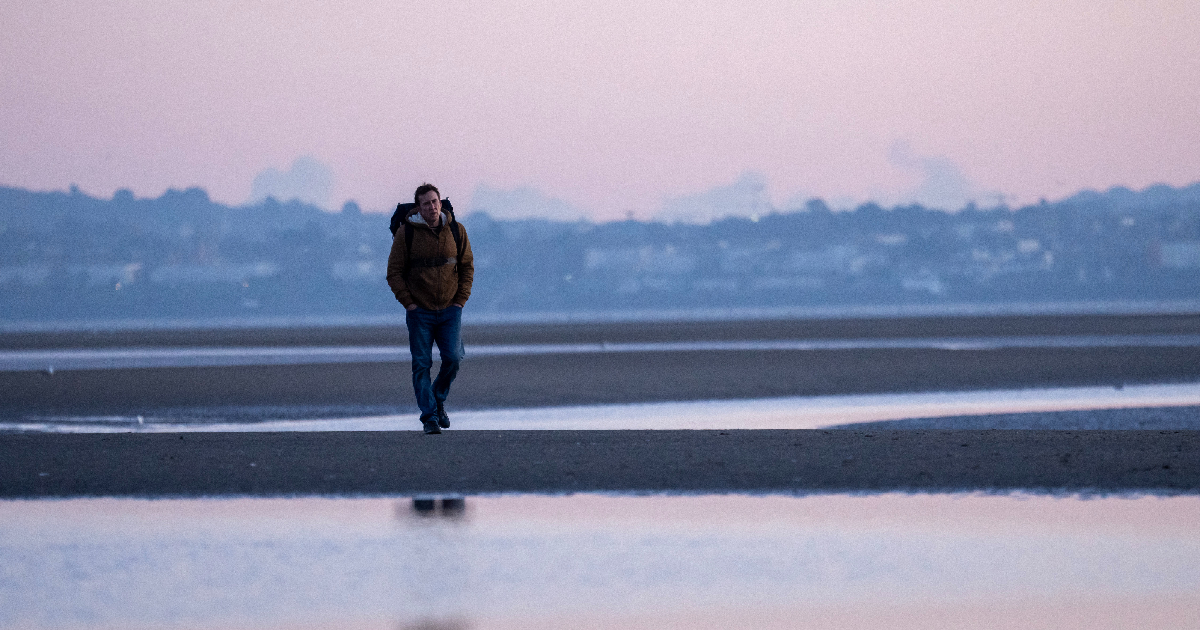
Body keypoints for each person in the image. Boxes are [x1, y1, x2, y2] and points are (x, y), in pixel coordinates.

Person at [386, 183, 474, 434]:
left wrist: (461, 300)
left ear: (440, 203)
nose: (432, 207)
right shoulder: (407, 234)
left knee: (454, 358)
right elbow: (394, 272)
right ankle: (429, 418)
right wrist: (409, 303)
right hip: (420, 311)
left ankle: (437, 397)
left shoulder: (456, 230)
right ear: (419, 208)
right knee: (421, 364)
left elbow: (467, 267)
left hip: (451, 308)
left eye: (435, 202)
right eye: (426, 204)